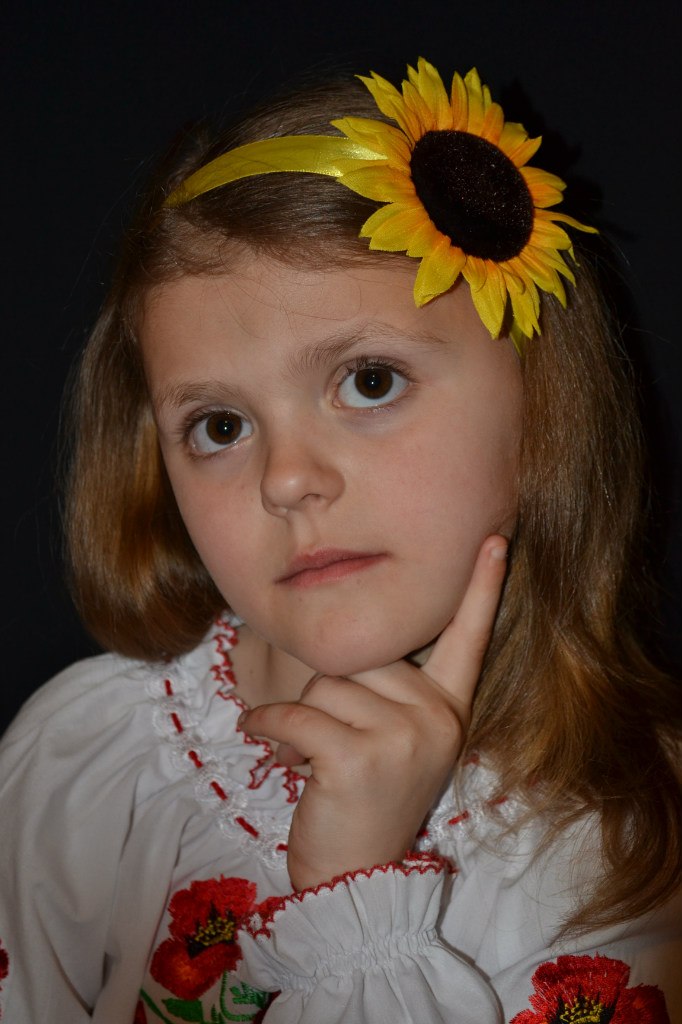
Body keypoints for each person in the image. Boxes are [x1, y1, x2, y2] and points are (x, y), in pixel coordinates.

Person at [0, 58, 679, 1024]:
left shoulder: (625, 849)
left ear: (543, 406)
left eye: (368, 381)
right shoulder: (90, 757)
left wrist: (357, 894)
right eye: (220, 427)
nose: (286, 479)